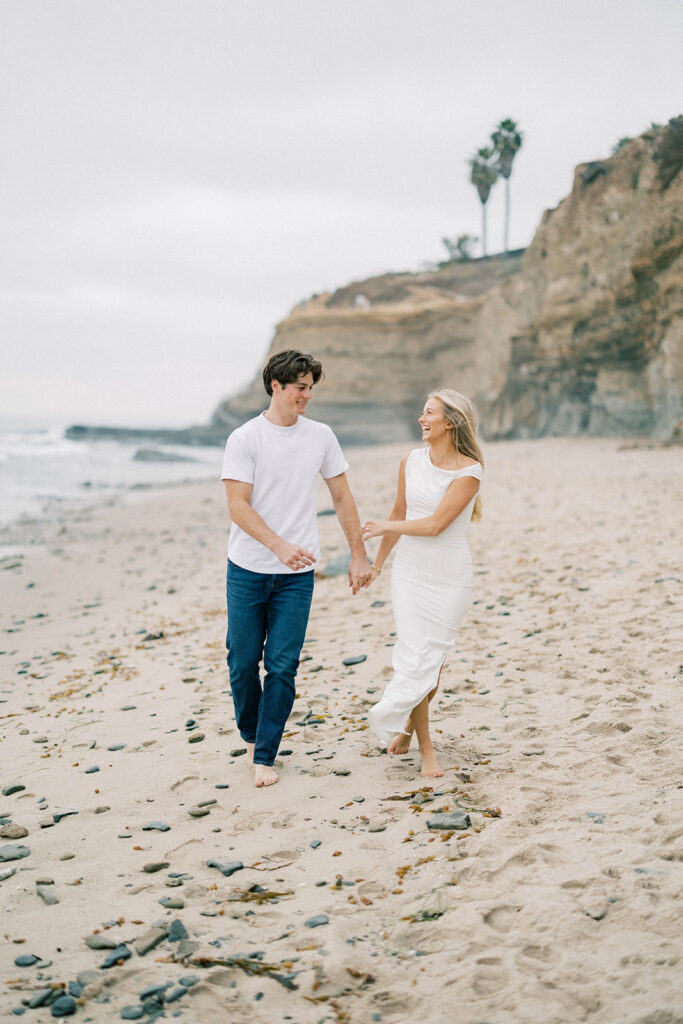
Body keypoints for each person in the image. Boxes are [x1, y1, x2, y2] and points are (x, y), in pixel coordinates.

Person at [221, 350, 371, 788]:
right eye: (300, 387)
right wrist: (278, 545)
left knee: (283, 666)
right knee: (241, 662)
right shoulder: (245, 439)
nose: (307, 395)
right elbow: (237, 506)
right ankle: (251, 734)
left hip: (296, 577)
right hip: (247, 569)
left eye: (311, 388)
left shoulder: (321, 436)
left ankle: (264, 755)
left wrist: (357, 554)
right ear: (276, 386)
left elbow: (343, 499)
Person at [361, 389, 483, 778]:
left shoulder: (470, 472)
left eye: (428, 413)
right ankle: (427, 752)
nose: (421, 419)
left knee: (431, 663)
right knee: (415, 659)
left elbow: (433, 525)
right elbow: (402, 510)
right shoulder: (410, 460)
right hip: (410, 575)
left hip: (449, 579)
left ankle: (410, 727)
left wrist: (384, 526)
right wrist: (378, 565)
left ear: (449, 422)